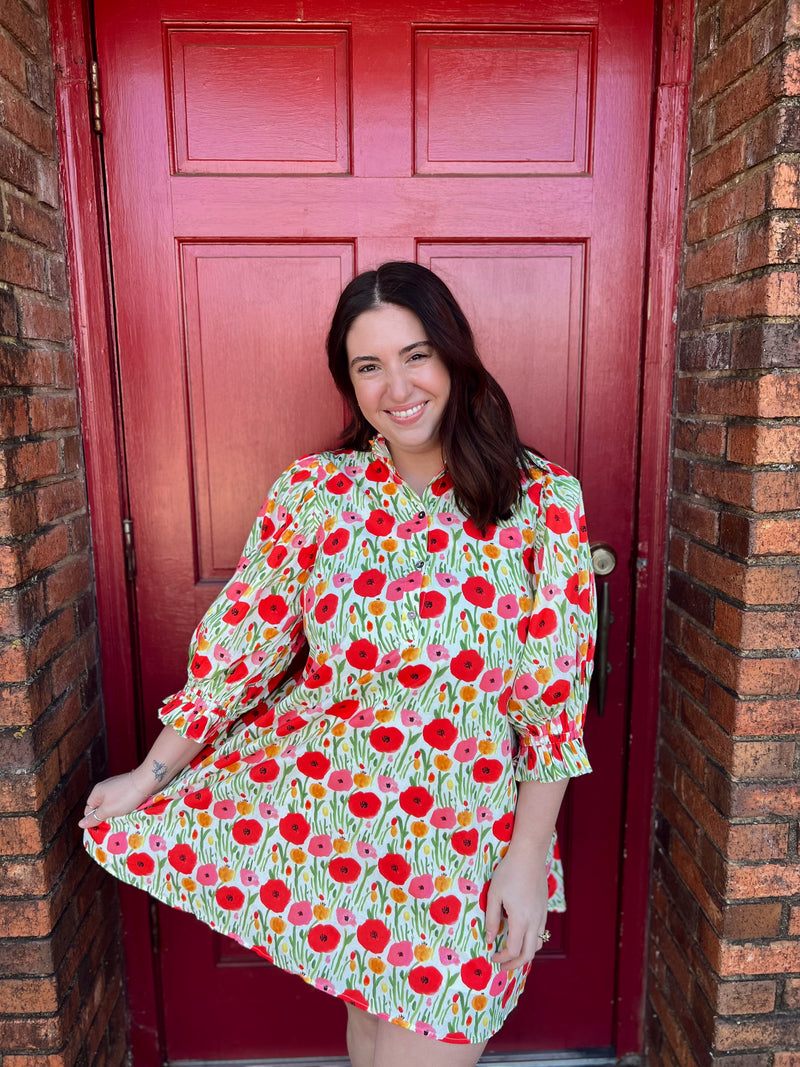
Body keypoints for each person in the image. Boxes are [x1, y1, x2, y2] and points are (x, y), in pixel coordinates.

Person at [80, 262, 596, 1066]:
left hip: (466, 842)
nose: (398, 386)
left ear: (455, 357)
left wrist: (527, 861)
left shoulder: (543, 502)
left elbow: (553, 707)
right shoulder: (315, 493)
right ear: (348, 383)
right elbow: (243, 656)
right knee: (369, 1039)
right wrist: (150, 773)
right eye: (369, 365)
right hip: (341, 832)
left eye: (416, 354)